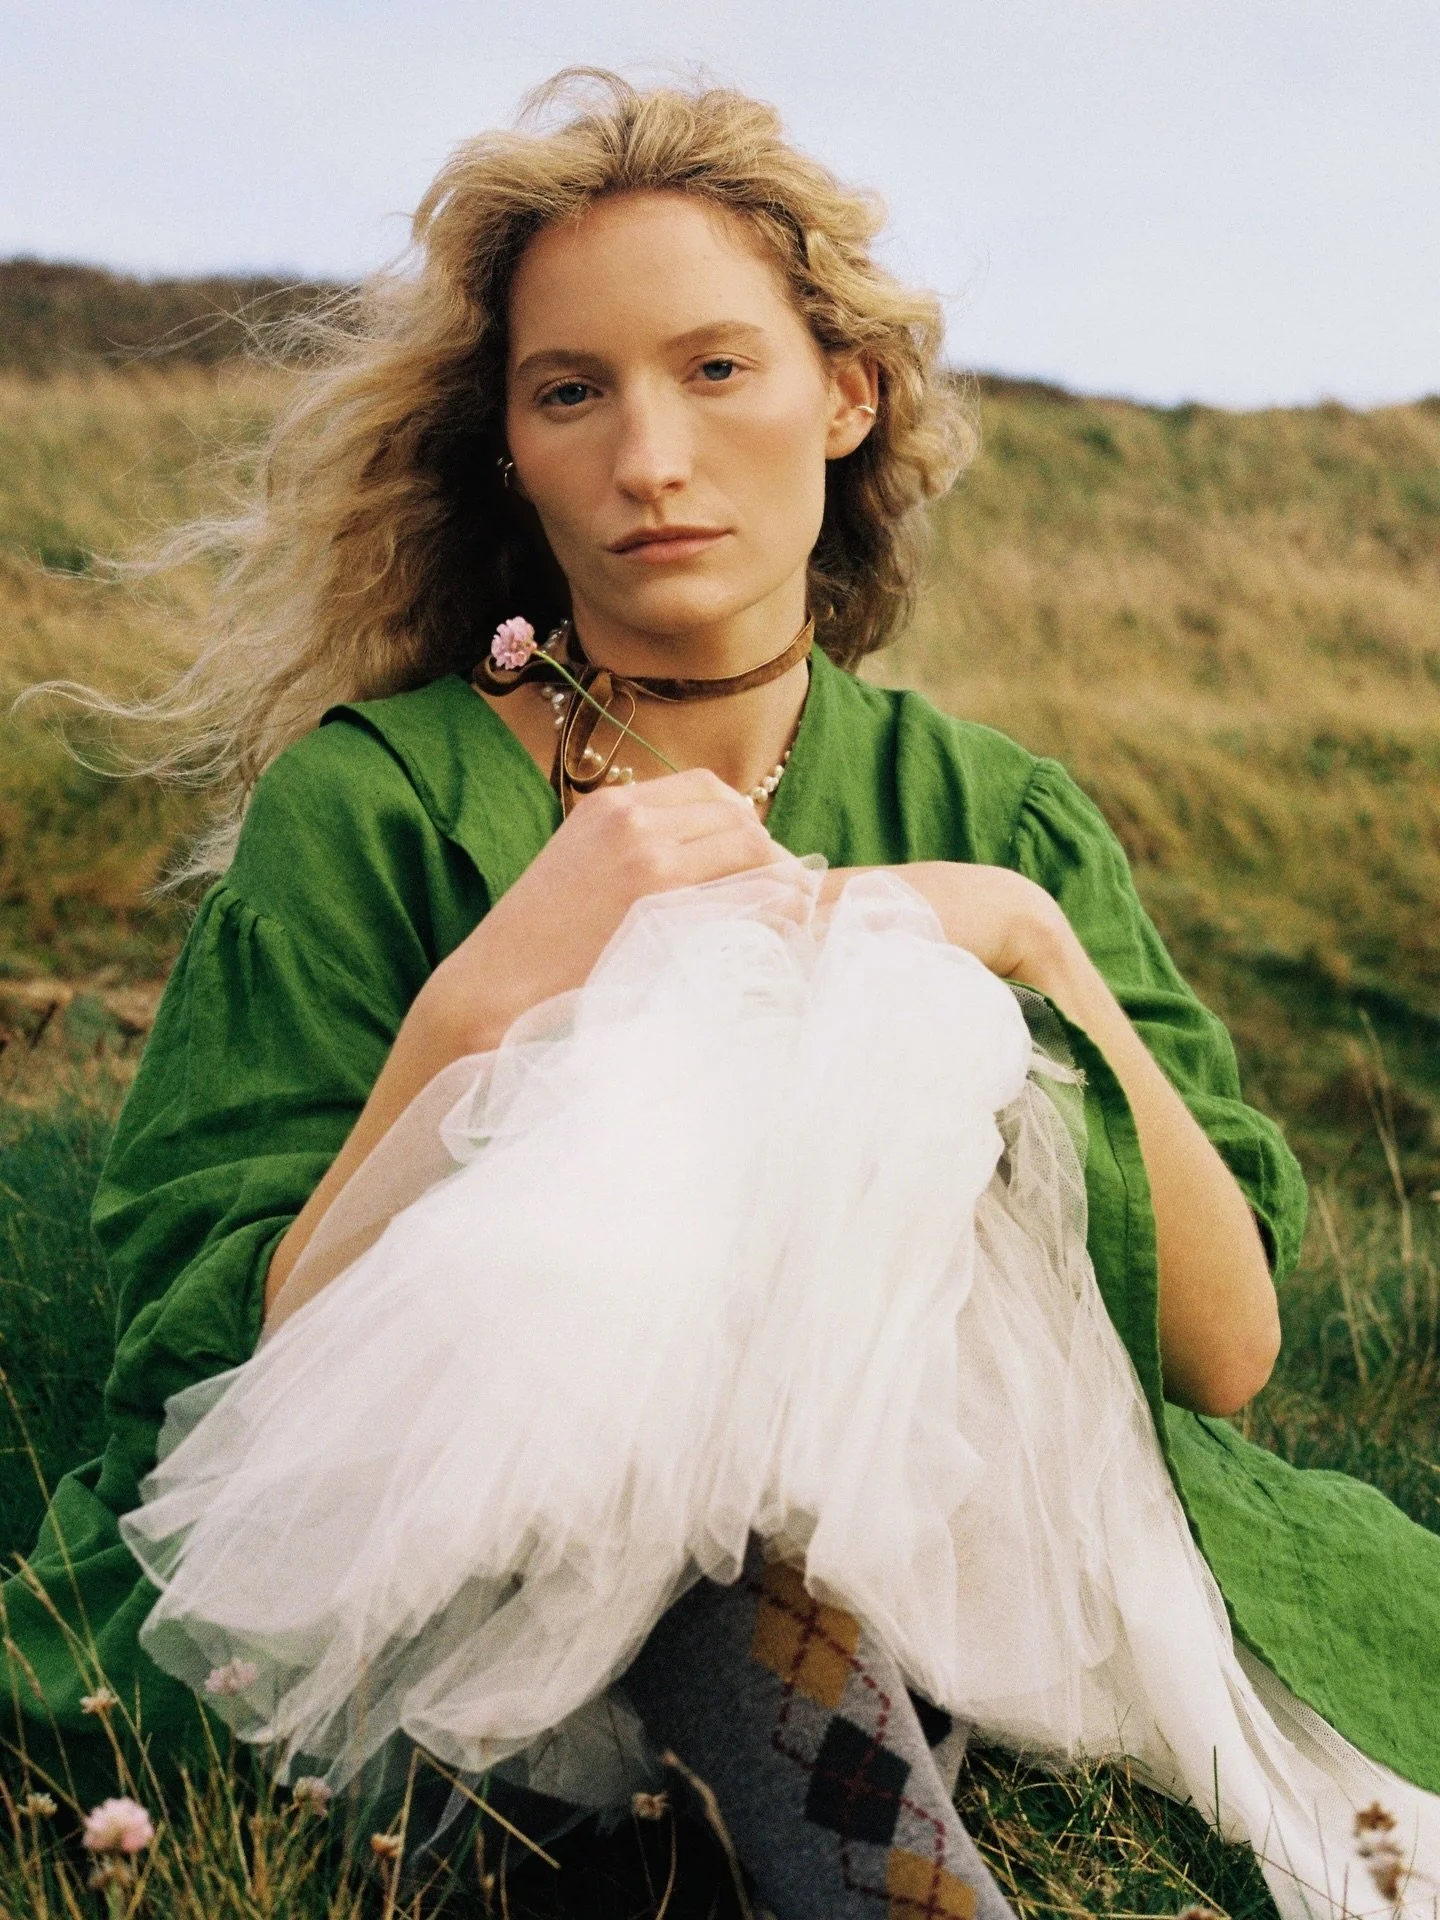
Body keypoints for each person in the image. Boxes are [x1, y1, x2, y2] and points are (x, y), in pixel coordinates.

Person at [6, 68, 1440, 1920]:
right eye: (571, 391)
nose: (648, 458)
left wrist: (1027, 941)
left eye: (716, 370)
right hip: (446, 1577)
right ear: (509, 447)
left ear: (846, 395)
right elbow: (222, 1380)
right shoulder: (373, 802)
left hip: (944, 1554)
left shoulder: (988, 813)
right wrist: (483, 1003)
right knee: (675, 1433)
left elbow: (1223, 1354)